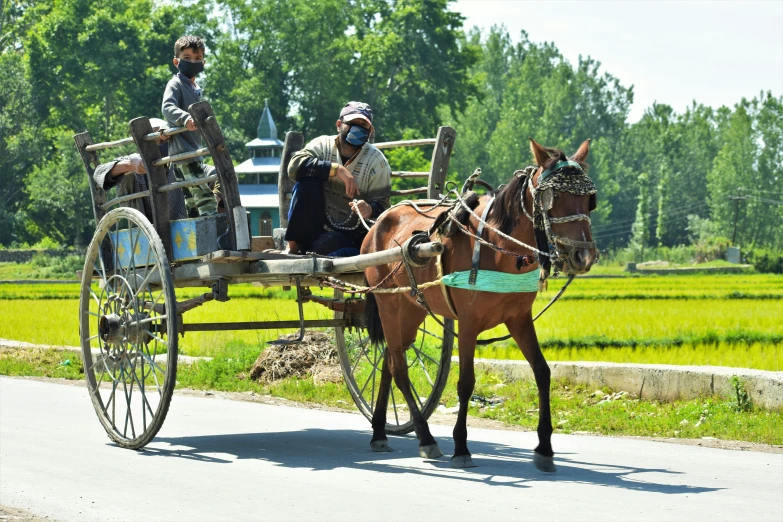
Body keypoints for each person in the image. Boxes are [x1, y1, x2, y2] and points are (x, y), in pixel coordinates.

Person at [285, 101, 392, 256]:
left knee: (333, 244)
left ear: (370, 131)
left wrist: (369, 209)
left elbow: (383, 207)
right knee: (306, 182)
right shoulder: (322, 145)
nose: (358, 128)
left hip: (350, 235)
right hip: (314, 227)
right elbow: (294, 167)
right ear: (339, 125)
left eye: (364, 125)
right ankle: (293, 248)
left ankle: (312, 256)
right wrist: (336, 169)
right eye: (353, 123)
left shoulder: (377, 162)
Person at [161, 35, 217, 218]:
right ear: (176, 61)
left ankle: (198, 241)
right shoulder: (175, 84)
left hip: (193, 151)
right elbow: (167, 107)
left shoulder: (195, 88)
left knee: (192, 201)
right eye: (187, 58)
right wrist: (185, 118)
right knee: (205, 197)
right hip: (183, 152)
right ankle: (213, 235)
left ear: (203, 63)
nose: (192, 62)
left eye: (197, 58)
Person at [92, 118, 187, 222]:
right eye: (154, 138)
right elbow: (99, 173)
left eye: (164, 138)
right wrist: (130, 165)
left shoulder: (178, 162)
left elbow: (203, 171)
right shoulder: (134, 160)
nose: (160, 143)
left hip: (180, 228)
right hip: (139, 230)